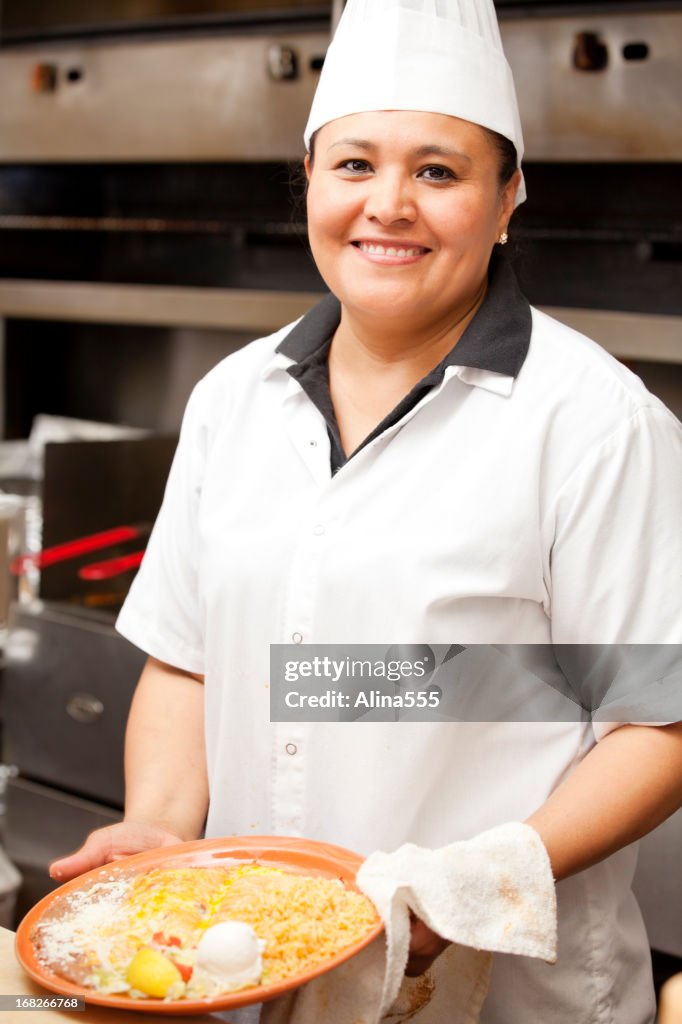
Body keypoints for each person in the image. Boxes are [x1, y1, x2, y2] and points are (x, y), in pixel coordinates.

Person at [50, 1, 682, 1021]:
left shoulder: (596, 424)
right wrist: (160, 826)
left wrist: (473, 883)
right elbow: (187, 656)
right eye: (353, 165)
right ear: (307, 179)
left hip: (501, 1000)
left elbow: (658, 725)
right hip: (263, 973)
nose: (387, 204)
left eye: (437, 171)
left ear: (508, 195)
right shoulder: (231, 401)